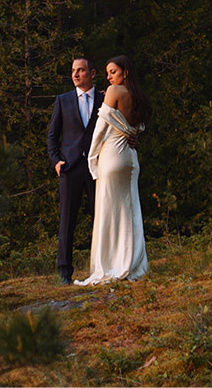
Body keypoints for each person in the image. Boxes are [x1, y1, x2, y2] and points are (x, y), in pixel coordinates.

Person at [76, 55, 150, 285]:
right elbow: (139, 128)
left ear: (125, 72)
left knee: (108, 212)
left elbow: (100, 129)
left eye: (113, 72)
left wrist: (92, 158)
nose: (109, 77)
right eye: (107, 73)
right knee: (130, 211)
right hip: (130, 159)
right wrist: (134, 136)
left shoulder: (113, 92)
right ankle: (133, 262)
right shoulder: (139, 98)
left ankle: (109, 264)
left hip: (113, 157)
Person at [47, 56, 102, 285]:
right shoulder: (63, 100)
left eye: (80, 70)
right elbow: (52, 135)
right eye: (73, 70)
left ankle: (101, 266)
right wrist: (56, 161)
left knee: (100, 219)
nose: (75, 74)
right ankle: (64, 272)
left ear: (92, 73)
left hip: (97, 167)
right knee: (67, 221)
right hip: (69, 168)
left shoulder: (104, 99)